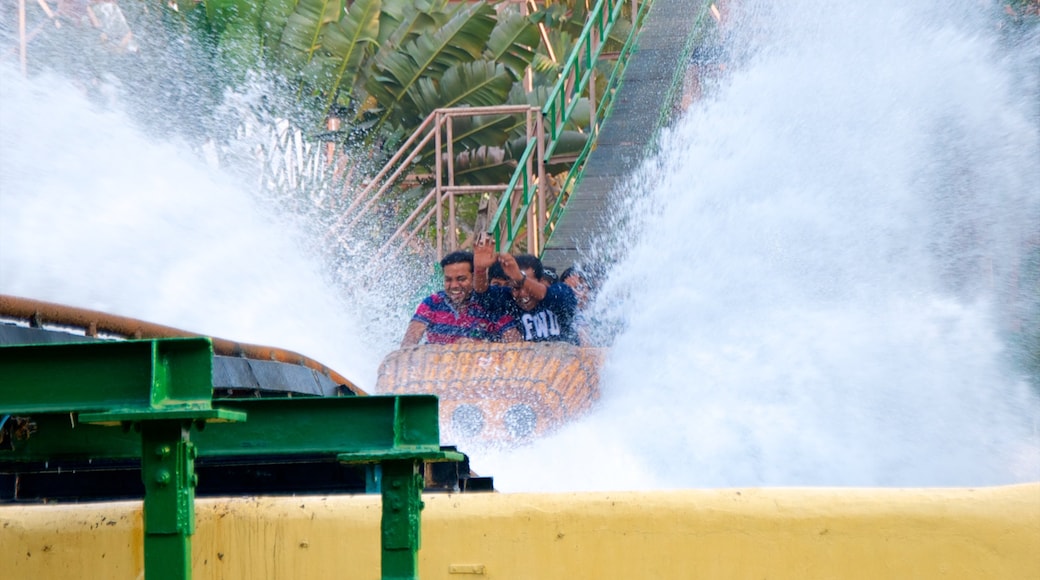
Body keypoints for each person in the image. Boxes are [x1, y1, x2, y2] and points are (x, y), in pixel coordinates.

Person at [401, 250, 519, 346]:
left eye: (461, 279)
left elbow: (515, 345)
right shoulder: (432, 303)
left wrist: (479, 345)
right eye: (448, 280)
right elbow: (407, 345)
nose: (454, 286)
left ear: (474, 278)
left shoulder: (490, 303)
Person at [473, 242, 580, 345]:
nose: (523, 294)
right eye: (516, 288)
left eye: (527, 287)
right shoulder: (508, 298)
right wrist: (480, 270)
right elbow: (482, 294)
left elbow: (544, 294)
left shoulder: (561, 292)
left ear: (541, 281)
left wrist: (519, 277)